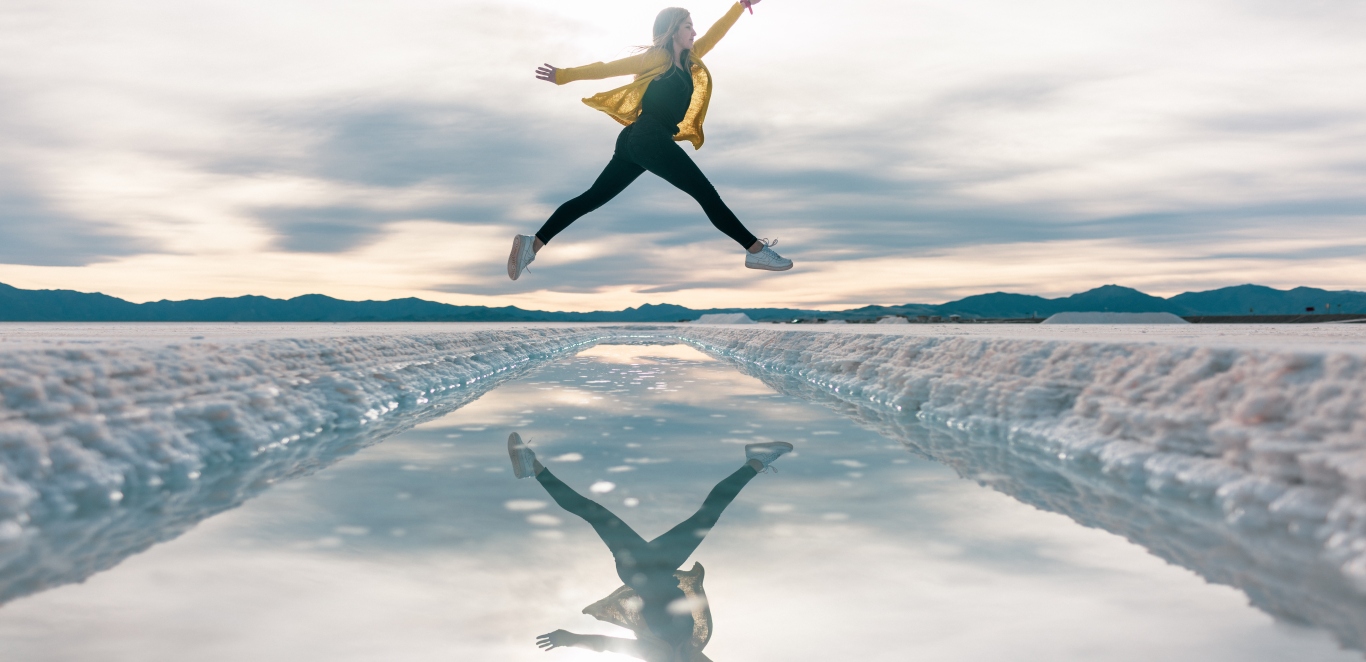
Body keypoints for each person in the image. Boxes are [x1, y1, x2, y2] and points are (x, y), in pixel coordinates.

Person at [508, 2, 793, 281]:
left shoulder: (690, 59)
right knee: (705, 193)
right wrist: (563, 76)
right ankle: (754, 250)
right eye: (688, 26)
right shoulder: (659, 58)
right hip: (649, 137)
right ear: (672, 31)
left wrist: (740, 6)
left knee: (592, 198)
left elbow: (715, 34)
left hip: (635, 140)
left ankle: (532, 245)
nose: (694, 32)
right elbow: (608, 68)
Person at [507, 432, 794, 661]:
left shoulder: (659, 655)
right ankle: (755, 461)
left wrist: (571, 639)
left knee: (599, 513)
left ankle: (533, 467)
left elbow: (608, 645)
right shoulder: (688, 650)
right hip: (655, 567)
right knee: (703, 515)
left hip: (645, 569)